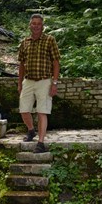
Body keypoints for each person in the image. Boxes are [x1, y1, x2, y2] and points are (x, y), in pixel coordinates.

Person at [17, 13, 60, 153]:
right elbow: (21, 64)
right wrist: (19, 83)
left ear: (42, 26)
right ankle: (31, 130)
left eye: (38, 24)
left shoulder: (49, 40)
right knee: (23, 110)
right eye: (33, 23)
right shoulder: (25, 42)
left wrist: (54, 83)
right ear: (30, 25)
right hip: (28, 81)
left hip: (44, 81)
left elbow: (56, 62)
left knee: (42, 112)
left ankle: (40, 143)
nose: (36, 26)